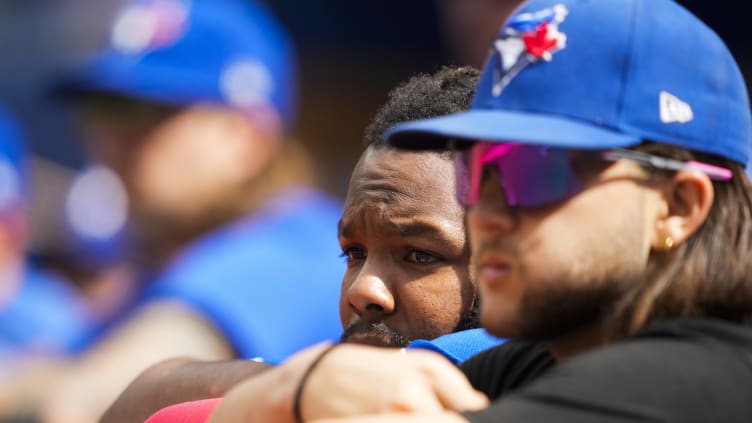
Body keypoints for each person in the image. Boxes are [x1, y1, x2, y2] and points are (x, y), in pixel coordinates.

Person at [204, 0, 752, 422]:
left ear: (678, 206)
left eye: (534, 170)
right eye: (482, 173)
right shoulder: (552, 353)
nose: (486, 213)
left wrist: (288, 392)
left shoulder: (694, 380)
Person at [102, 66, 505, 423]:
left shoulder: (521, 360)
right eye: (355, 253)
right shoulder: (348, 372)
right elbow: (141, 397)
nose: (364, 289)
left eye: (420, 256)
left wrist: (286, 388)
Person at [33, 0, 346, 421]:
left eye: (142, 113)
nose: (109, 143)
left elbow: (73, 405)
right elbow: (44, 370)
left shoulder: (297, 249)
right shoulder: (157, 262)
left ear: (244, 137)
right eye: (100, 111)